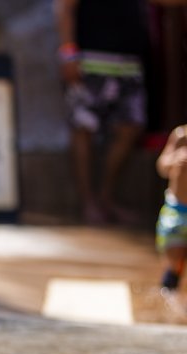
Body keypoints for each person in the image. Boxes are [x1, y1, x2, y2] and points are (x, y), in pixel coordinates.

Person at [54, 0, 149, 225]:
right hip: (89, 59)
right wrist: (68, 53)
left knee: (131, 126)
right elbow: (64, 7)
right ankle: (88, 202)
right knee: (83, 127)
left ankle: (106, 198)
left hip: (129, 62)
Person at [155, 124, 187, 299]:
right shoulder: (181, 135)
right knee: (173, 253)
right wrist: (174, 158)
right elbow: (161, 166)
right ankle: (170, 283)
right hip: (177, 209)